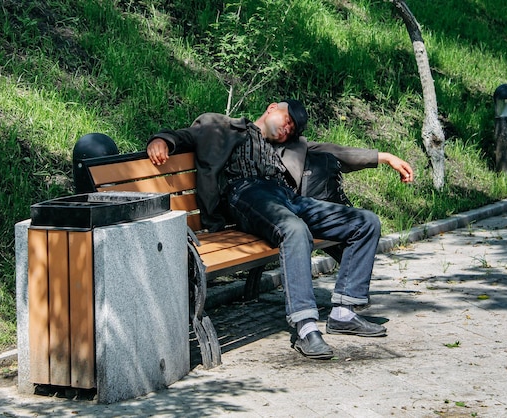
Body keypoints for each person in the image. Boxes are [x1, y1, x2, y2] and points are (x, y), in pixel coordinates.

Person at [147, 99, 414, 359]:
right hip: (245, 194)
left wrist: (385, 157)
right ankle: (306, 327)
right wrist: (161, 141)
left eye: (293, 129)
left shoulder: (290, 148)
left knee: (365, 222)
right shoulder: (223, 126)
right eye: (287, 121)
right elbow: (183, 136)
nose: (288, 129)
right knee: (294, 229)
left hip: (288, 198)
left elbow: (337, 151)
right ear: (272, 108)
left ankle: (344, 313)